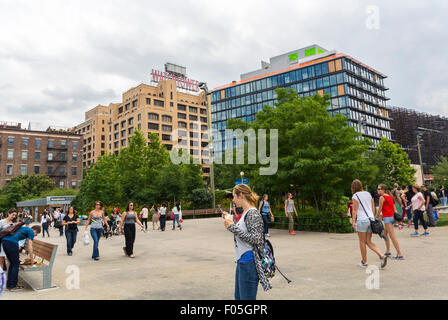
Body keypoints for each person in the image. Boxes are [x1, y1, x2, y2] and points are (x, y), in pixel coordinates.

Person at [221, 184, 271, 300]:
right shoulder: (246, 212)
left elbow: (257, 239)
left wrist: (232, 227)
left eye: (234, 196)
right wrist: (230, 219)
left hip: (249, 261)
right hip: (242, 261)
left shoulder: (253, 213)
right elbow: (243, 229)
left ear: (241, 195)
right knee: (239, 297)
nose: (233, 200)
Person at [1, 209, 41, 292]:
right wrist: (32, 260)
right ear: (35, 231)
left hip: (5, 242)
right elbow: (30, 247)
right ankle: (13, 286)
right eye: (36, 234)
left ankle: (10, 285)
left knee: (12, 263)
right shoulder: (31, 232)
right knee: (15, 264)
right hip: (11, 243)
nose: (35, 236)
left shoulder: (25, 228)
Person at [351, 179, 388, 269]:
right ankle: (381, 256)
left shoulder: (355, 196)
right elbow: (372, 208)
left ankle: (364, 262)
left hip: (362, 221)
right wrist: (372, 217)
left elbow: (355, 210)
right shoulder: (368, 193)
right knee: (368, 241)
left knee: (362, 242)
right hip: (370, 220)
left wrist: (353, 221)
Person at [376, 184, 404, 260]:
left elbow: (379, 209)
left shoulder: (382, 197)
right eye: (377, 189)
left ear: (383, 190)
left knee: (392, 237)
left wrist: (375, 218)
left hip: (387, 218)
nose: (378, 190)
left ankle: (399, 254)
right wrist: (398, 220)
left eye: (379, 189)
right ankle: (388, 251)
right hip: (391, 217)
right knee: (385, 234)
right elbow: (394, 208)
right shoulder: (389, 196)